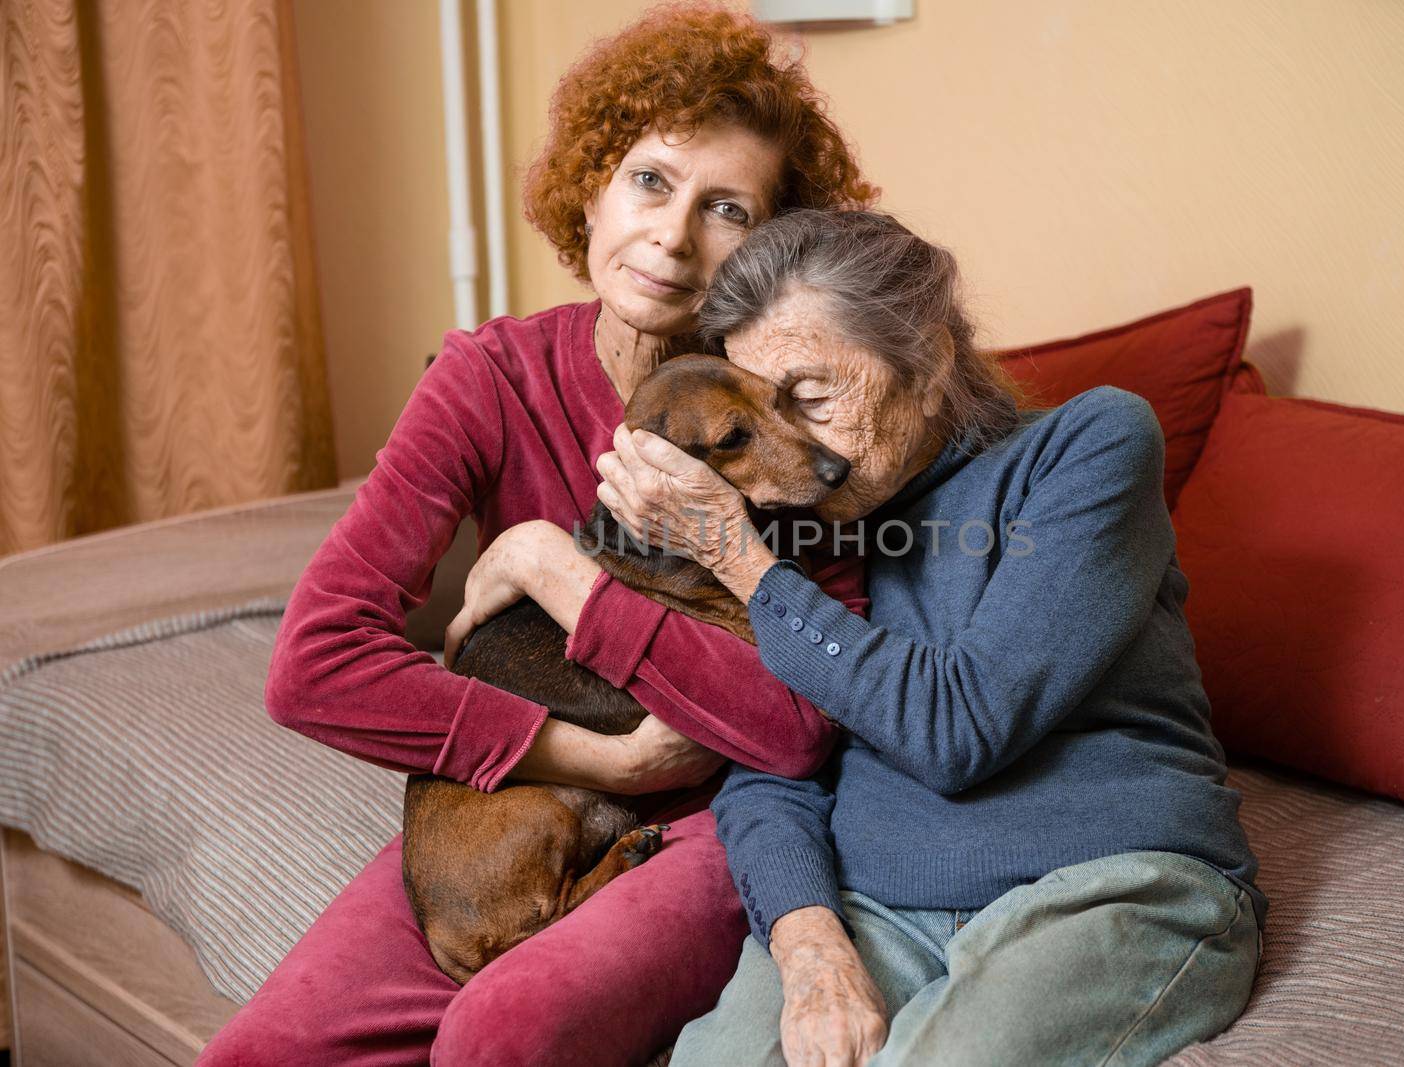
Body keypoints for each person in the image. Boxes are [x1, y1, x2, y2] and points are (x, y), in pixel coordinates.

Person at [198, 6, 877, 1065]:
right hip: (529, 787)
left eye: (726, 208)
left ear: (771, 246)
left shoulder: (796, 406)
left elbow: (800, 725)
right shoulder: (487, 377)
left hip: (729, 810)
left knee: (503, 1028)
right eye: (650, 180)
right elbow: (314, 666)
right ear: (594, 184)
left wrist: (557, 571)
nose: (671, 233)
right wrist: (601, 755)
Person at [594, 208, 1267, 1067]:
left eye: (808, 398)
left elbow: (960, 725)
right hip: (876, 903)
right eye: (761, 413)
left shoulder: (1089, 446)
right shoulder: (799, 522)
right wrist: (808, 944)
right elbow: (768, 763)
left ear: (928, 359)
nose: (795, 451)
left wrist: (739, 559)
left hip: (1114, 883)